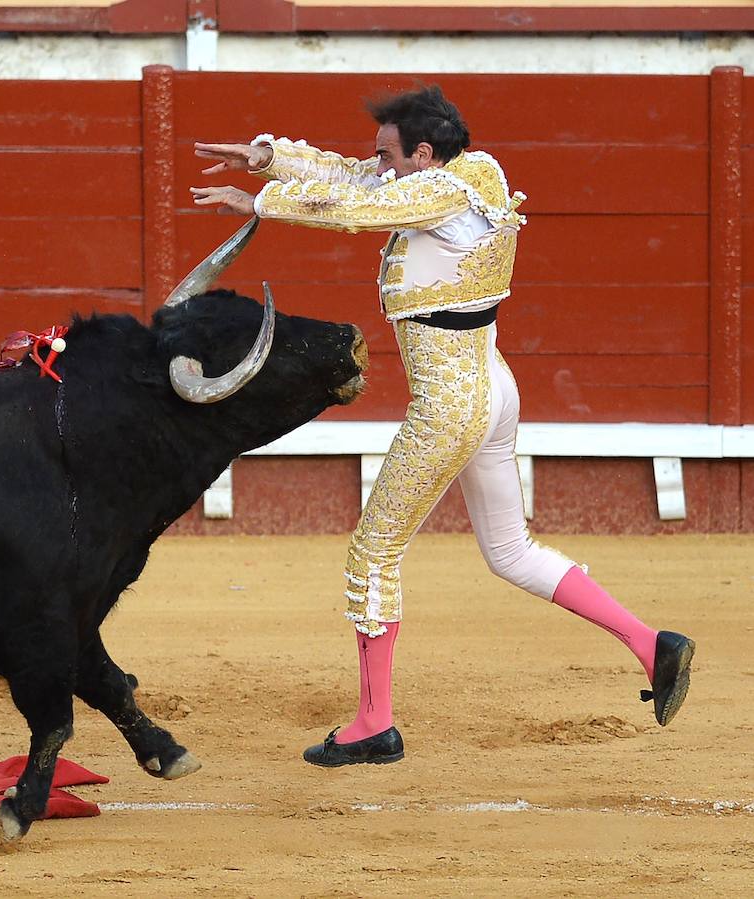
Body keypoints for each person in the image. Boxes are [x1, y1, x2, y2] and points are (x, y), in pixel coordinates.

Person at [188, 85, 695, 767]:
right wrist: (266, 158)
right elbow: (353, 177)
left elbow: (362, 206)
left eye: (390, 154)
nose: (381, 163)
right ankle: (650, 643)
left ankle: (374, 722)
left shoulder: (442, 193)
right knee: (511, 551)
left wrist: (263, 204)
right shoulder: (460, 174)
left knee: (373, 553)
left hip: (452, 404)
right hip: (492, 382)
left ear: (423, 153)